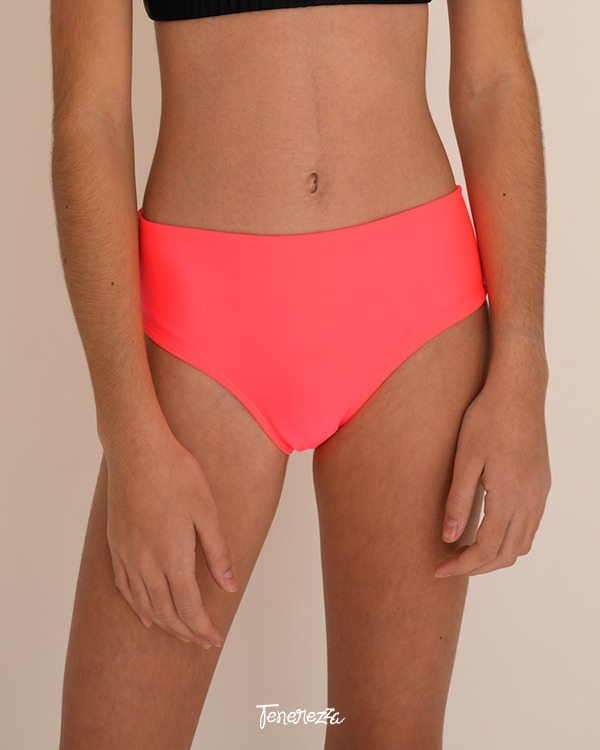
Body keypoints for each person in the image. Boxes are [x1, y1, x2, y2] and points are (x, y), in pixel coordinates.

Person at [50, 0, 552, 747]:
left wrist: (522, 365)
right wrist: (126, 429)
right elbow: (89, 117)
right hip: (205, 327)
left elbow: (494, 76)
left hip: (419, 317)